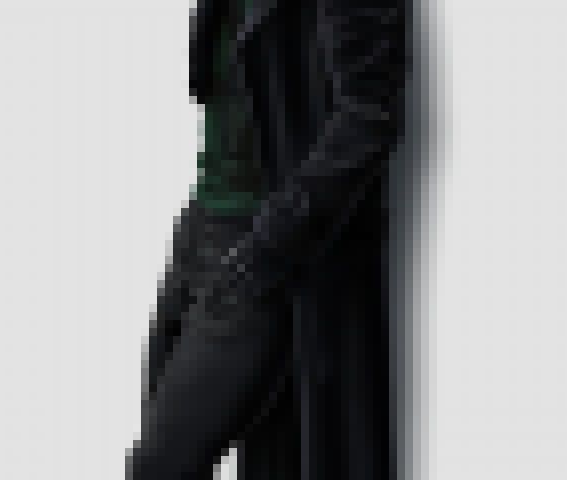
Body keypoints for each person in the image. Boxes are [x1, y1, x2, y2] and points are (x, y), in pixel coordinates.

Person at [126, 0, 410, 478]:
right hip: (202, 227)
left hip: (265, 240)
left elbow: (368, 114)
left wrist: (270, 245)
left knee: (160, 466)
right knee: (165, 444)